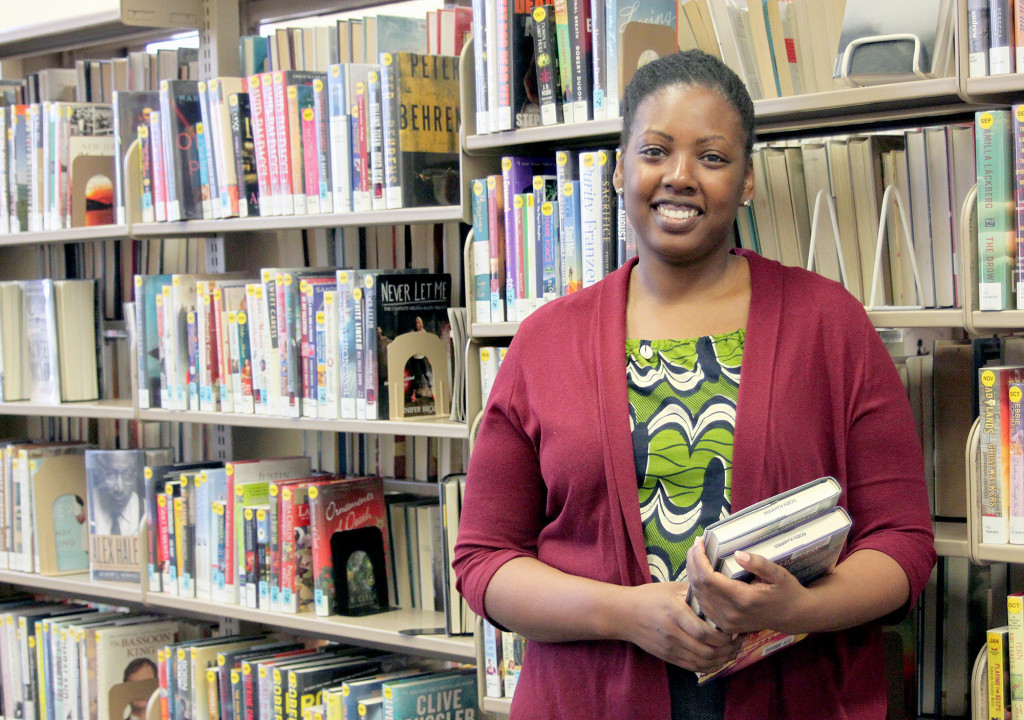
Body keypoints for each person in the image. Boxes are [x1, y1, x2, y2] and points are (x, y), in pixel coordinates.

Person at [452, 49, 936, 720]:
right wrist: (624, 614)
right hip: (592, 699)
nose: (680, 176)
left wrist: (799, 608)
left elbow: (904, 544)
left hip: (793, 696)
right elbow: (485, 562)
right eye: (655, 151)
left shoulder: (829, 325)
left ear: (746, 183)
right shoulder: (545, 343)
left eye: (712, 158)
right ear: (619, 167)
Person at [89, 450, 144, 537]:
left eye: (127, 475)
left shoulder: (146, 511)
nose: (119, 488)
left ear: (135, 475)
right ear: (99, 473)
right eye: (111, 474)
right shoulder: (87, 505)